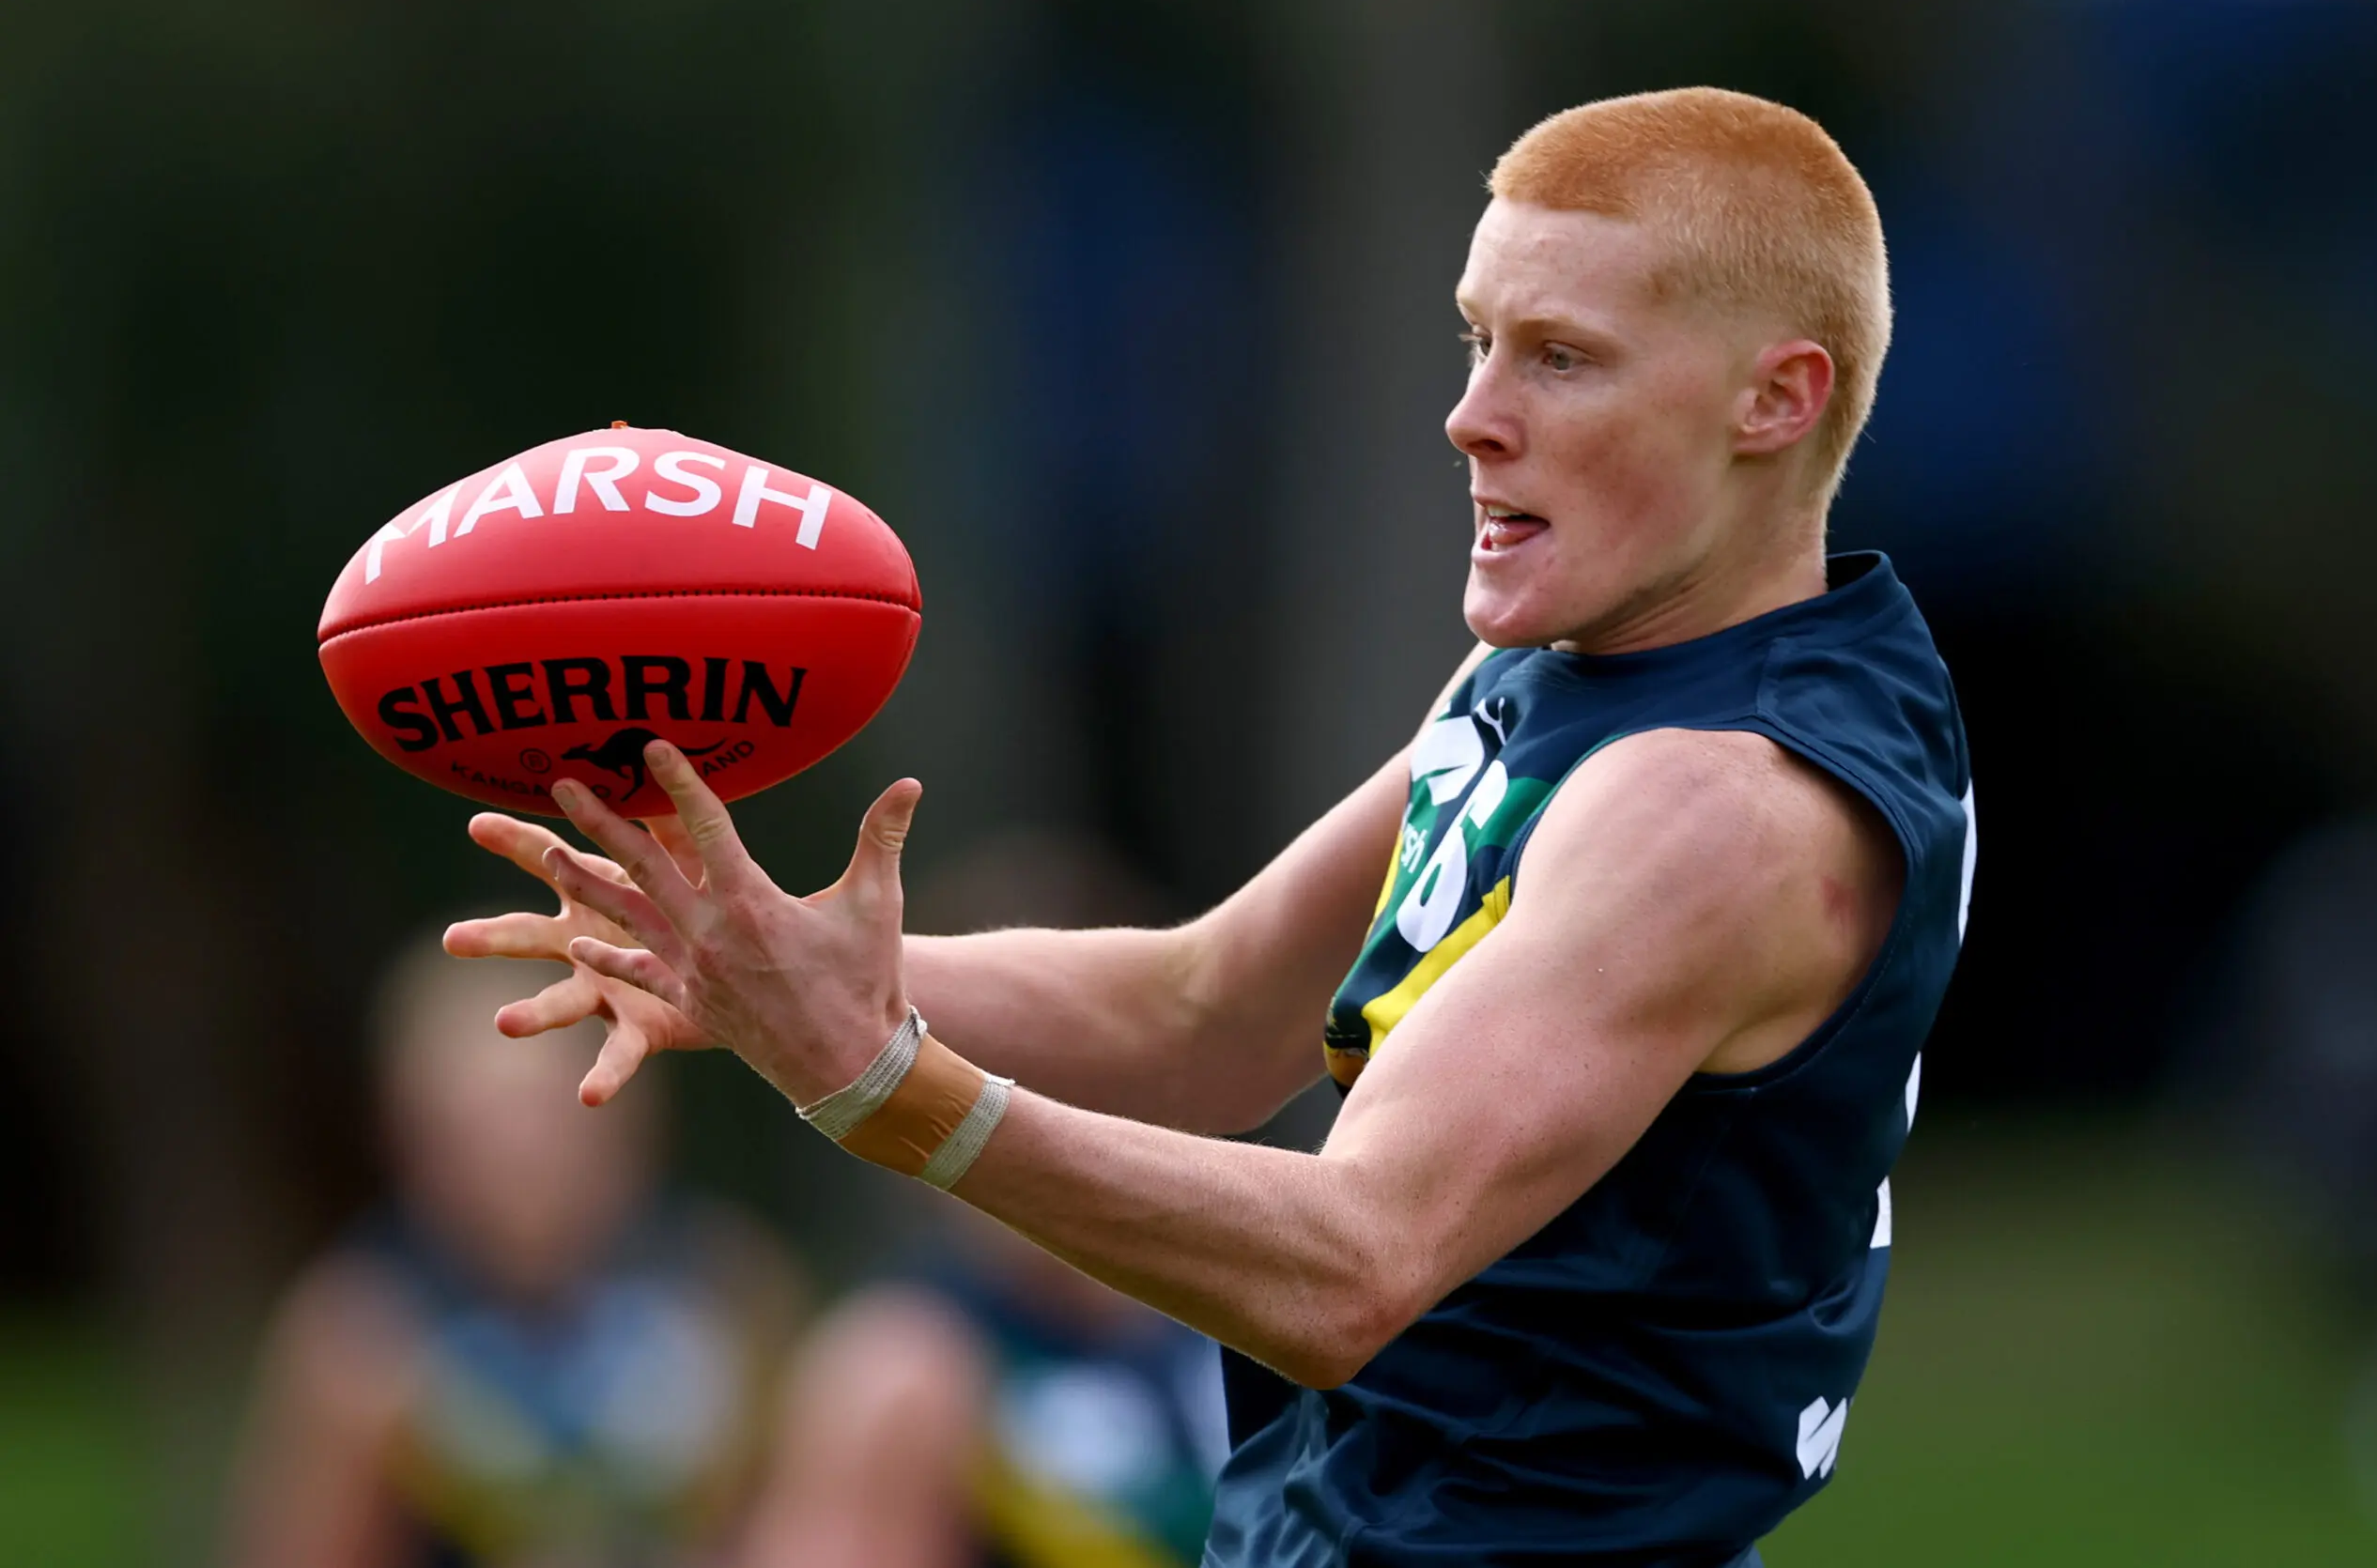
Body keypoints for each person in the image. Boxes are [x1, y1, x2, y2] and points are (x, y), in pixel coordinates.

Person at [447, 86, 1976, 1567]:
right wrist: (764, 964)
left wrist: (880, 1085)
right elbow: (1206, 1010)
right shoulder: (1587, 665)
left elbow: (1350, 1262)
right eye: (1479, 340)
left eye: (1562, 359)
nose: (1471, 418)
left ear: (1777, 400)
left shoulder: (1717, 808)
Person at [224, 935, 806, 1568]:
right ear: (411, 1146)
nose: (524, 1158)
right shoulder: (358, 1337)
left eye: (548, 1115)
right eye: (483, 1129)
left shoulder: (728, 1288)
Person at [734, 830, 1230, 1568]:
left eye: (1070, 1075)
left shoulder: (1228, 1325)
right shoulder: (902, 1370)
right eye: (994, 1079)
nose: (1032, 1117)